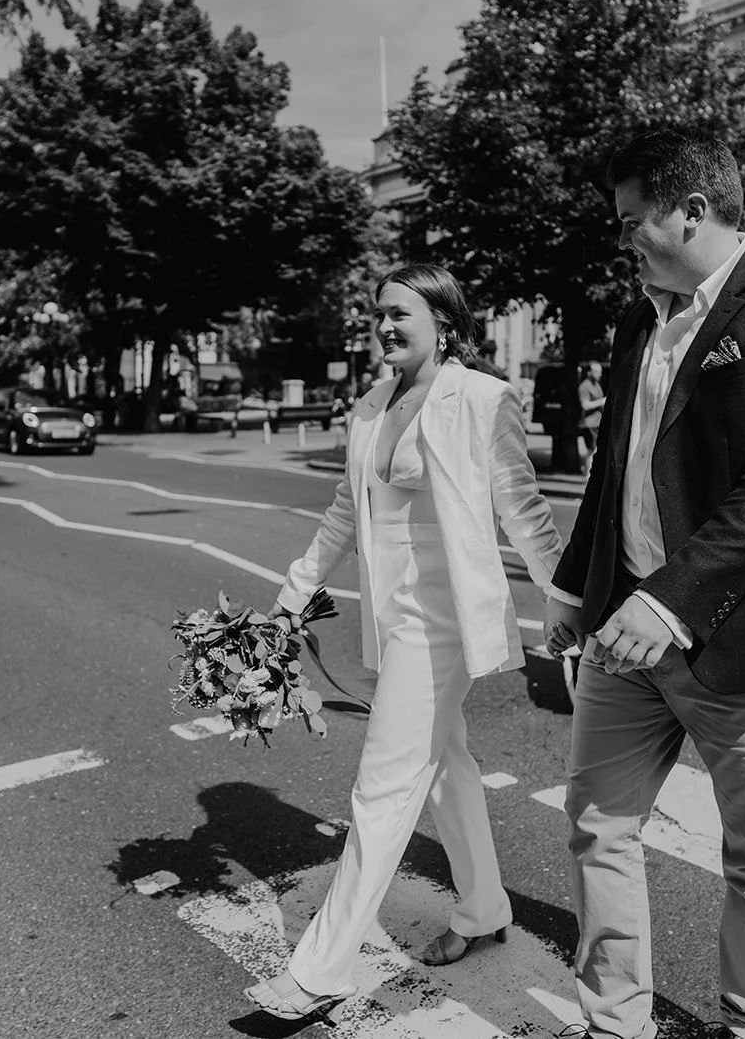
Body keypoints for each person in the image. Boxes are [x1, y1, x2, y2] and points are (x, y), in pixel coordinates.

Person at [543, 129, 745, 1039]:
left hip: (739, 633)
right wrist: (574, 588)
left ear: (691, 209)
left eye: (634, 219)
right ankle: (614, 1019)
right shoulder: (642, 316)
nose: (627, 237)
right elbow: (617, 466)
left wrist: (670, 599)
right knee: (597, 826)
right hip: (622, 627)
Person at [244, 263, 563, 1024]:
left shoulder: (482, 399)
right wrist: (290, 600)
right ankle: (483, 906)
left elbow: (525, 514)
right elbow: (341, 520)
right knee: (447, 766)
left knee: (383, 788)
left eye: (399, 313)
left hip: (446, 622)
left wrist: (566, 604)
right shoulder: (368, 408)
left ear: (444, 322)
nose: (384, 326)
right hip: (395, 622)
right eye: (378, 314)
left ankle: (320, 968)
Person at [576, 360, 605, 475]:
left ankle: (590, 474)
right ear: (589, 372)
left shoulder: (597, 385)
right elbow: (585, 405)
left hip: (597, 422)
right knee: (592, 450)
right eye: (597, 372)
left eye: (600, 372)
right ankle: (588, 475)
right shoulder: (585, 386)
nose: (600, 374)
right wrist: (602, 402)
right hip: (589, 423)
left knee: (595, 450)